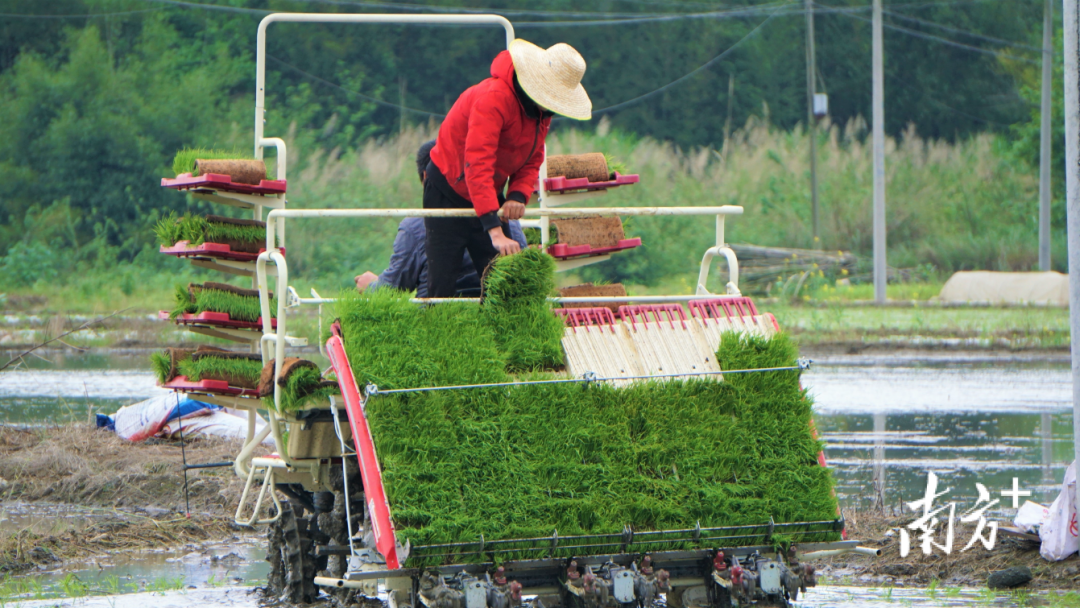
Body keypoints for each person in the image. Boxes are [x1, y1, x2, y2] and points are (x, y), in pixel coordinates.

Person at [424, 39, 592, 298]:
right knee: (442, 282)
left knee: (500, 281)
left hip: (486, 193)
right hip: (448, 188)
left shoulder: (541, 114)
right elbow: (477, 161)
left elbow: (534, 157)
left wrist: (517, 195)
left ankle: (494, 335)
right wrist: (494, 229)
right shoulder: (494, 97)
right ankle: (438, 331)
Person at [355, 141, 527, 297]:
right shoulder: (505, 218)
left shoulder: (416, 225)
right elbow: (522, 273)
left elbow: (395, 286)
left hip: (439, 318)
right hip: (495, 314)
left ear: (426, 177)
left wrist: (370, 285)